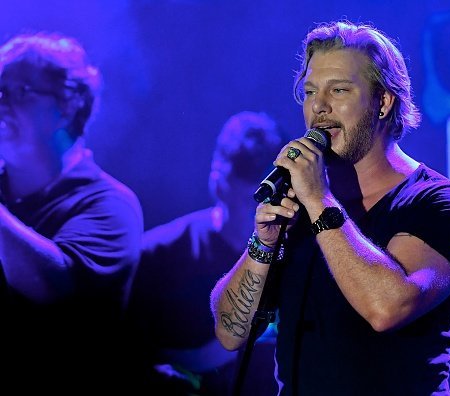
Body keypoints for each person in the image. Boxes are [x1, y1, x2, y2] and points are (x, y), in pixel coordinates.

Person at [210, 21, 450, 395]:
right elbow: (229, 333)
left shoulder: (441, 204)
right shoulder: (301, 203)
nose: (319, 107)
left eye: (338, 90)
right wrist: (263, 243)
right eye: (309, 92)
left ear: (383, 102)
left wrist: (319, 200)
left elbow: (386, 308)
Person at [0, 33, 143, 394]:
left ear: (67, 105)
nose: (1, 104)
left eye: (19, 92)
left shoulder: (110, 204)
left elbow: (50, 287)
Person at [128, 111, 284, 395]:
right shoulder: (155, 254)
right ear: (218, 178)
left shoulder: (299, 256)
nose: (257, 207)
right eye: (248, 182)